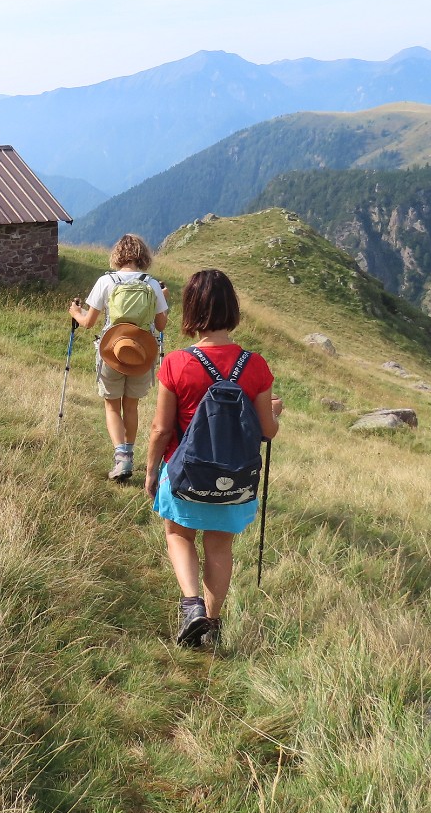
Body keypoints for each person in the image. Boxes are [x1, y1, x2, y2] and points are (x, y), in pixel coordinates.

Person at [143, 268, 282, 648]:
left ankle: (192, 607)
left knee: (178, 534)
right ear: (232, 309)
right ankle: (214, 624)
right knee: (220, 548)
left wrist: (151, 471)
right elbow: (267, 431)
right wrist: (274, 412)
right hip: (234, 479)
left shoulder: (174, 363)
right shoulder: (256, 365)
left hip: (185, 474)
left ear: (190, 309)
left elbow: (160, 429)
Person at [68, 234, 169, 481]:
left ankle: (121, 458)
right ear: (143, 256)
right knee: (131, 405)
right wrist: (163, 297)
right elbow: (162, 324)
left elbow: (89, 323)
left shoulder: (106, 281)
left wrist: (75, 312)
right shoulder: (151, 284)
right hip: (142, 353)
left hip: (111, 351)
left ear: (117, 255)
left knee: (112, 404)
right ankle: (131, 455)